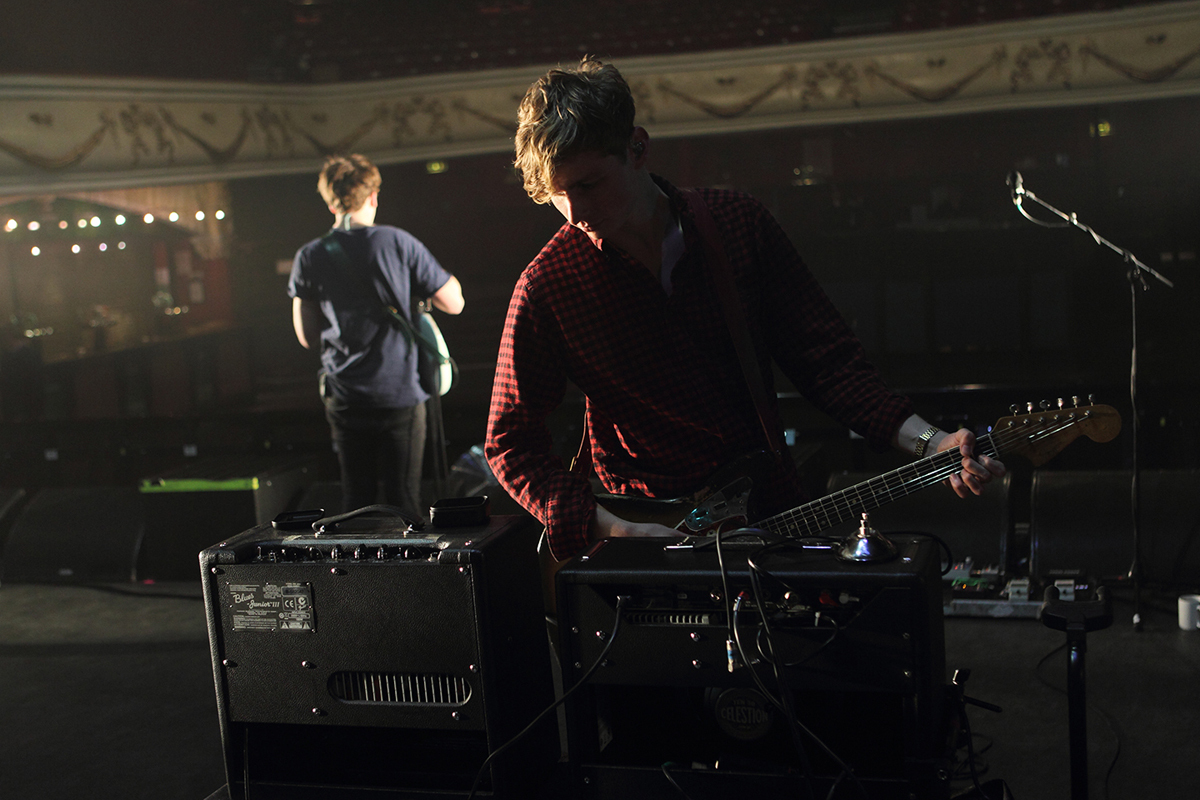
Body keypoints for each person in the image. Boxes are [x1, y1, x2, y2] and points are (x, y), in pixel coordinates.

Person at [484, 58, 1004, 564]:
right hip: (646, 540)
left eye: (588, 184)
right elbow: (509, 443)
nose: (574, 212)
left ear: (637, 147)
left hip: (768, 517)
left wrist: (930, 442)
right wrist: (612, 527)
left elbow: (829, 364)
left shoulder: (736, 225)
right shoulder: (547, 285)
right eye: (556, 194)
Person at [290, 154, 464, 517]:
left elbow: (306, 336)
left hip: (345, 395)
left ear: (331, 202)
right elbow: (454, 303)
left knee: (357, 501)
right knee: (405, 499)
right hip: (400, 393)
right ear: (372, 196)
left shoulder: (309, 256)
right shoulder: (399, 242)